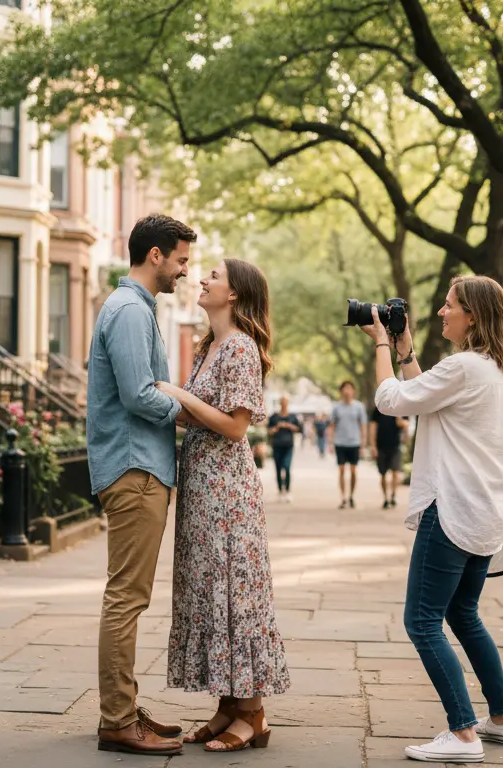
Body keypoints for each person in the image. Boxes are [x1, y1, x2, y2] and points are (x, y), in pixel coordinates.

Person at [362, 276, 503, 764]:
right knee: (463, 615)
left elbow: (391, 401)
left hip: (451, 510)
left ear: (472, 315)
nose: (440, 312)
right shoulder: (495, 369)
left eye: (449, 305)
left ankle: (463, 734)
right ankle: (502, 719)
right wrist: (406, 348)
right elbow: (424, 392)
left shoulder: (465, 368)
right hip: (487, 513)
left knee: (422, 621)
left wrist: (382, 345)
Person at [155, 258, 291, 754]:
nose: (203, 279)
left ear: (234, 295)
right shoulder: (211, 346)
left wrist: (176, 394)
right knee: (212, 591)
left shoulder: (240, 347)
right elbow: (202, 420)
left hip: (228, 494)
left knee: (235, 593)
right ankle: (226, 706)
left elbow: (235, 426)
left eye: (214, 274)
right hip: (202, 488)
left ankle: (252, 713)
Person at [86, 214, 196, 756]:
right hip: (135, 470)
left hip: (140, 467)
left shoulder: (135, 308)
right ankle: (117, 721)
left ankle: (124, 708)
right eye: (180, 260)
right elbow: (138, 395)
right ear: (155, 255)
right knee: (126, 598)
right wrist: (194, 412)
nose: (184, 270)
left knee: (128, 596)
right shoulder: (130, 310)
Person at [331, 382, 367, 508]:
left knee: (353, 470)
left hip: (354, 443)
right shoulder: (336, 408)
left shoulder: (359, 407)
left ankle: (351, 495)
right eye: (345, 389)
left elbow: (363, 425)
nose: (347, 391)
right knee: (341, 470)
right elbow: (332, 426)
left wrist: (363, 444)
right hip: (340, 442)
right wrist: (330, 442)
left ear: (353, 391)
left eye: (349, 389)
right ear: (341, 392)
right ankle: (343, 497)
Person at [371, 407, 409, 509]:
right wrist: (373, 446)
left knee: (395, 472)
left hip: (396, 446)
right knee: (383, 474)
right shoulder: (379, 408)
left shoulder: (401, 408)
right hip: (381, 446)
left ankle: (393, 495)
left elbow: (406, 424)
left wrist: (399, 421)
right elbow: (373, 426)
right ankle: (385, 497)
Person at [268, 395, 301, 502]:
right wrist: (277, 427)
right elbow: (269, 431)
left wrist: (289, 426)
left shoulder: (292, 417)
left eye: (286, 402)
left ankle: (287, 490)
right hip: (277, 445)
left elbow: (299, 429)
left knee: (286, 467)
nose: (284, 404)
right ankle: (280, 490)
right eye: (282, 402)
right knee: (278, 468)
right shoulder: (274, 417)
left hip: (288, 446)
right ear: (280, 403)